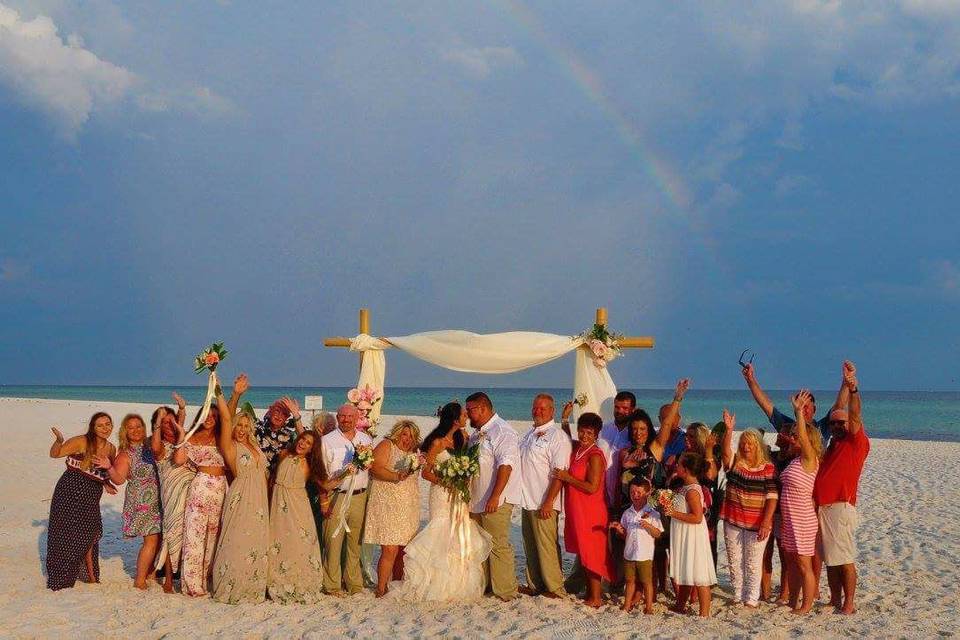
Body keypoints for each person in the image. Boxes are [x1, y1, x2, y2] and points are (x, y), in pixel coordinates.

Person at [391, 402, 492, 602]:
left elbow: (468, 464)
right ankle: (434, 582)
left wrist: (462, 478)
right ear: (455, 420)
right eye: (464, 415)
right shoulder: (436, 442)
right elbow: (426, 473)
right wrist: (446, 480)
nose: (467, 417)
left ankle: (458, 584)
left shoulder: (463, 437)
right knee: (440, 529)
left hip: (459, 494)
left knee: (459, 532)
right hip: (441, 493)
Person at [813, 361, 869, 615]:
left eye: (841, 423)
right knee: (831, 560)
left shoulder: (856, 441)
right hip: (824, 507)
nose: (837, 426)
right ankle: (835, 599)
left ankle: (849, 603)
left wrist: (853, 388)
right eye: (833, 424)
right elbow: (837, 409)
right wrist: (843, 384)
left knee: (844, 558)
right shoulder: (835, 443)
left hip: (840, 506)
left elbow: (852, 414)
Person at [211, 379, 271, 604]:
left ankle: (252, 585)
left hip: (259, 499)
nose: (243, 429)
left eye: (247, 426)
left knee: (255, 541)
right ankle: (231, 584)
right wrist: (233, 394)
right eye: (239, 425)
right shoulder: (230, 446)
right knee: (236, 540)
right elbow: (226, 417)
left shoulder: (254, 446)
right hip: (241, 495)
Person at [45, 412, 117, 590]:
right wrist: (59, 440)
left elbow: (106, 470)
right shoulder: (81, 441)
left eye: (107, 424)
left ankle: (92, 576)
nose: (105, 428)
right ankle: (64, 576)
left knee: (91, 533)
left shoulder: (111, 448)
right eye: (100, 425)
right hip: (68, 492)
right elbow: (55, 454)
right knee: (64, 535)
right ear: (93, 427)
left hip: (91, 494)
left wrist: (106, 483)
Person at [94, 414, 161, 590]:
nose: (136, 430)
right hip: (142, 501)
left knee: (158, 538)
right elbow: (119, 479)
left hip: (159, 498)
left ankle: (150, 572)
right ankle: (139, 580)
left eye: (138, 426)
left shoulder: (150, 445)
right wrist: (109, 467)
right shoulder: (125, 454)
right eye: (131, 428)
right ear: (125, 431)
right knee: (151, 541)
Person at [719, 410, 779, 608]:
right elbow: (725, 453)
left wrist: (766, 521)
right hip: (733, 519)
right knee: (735, 560)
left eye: (750, 444)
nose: (746, 446)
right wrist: (729, 430)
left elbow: (772, 497)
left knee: (753, 562)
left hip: (757, 522)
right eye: (744, 442)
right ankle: (737, 595)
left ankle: (752, 598)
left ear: (758, 446)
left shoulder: (768, 467)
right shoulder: (735, 463)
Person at [466, 392, 521, 602]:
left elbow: (505, 465)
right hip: (477, 499)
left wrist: (495, 496)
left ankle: (505, 590)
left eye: (470, 410)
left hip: (495, 499)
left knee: (498, 544)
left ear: (482, 408)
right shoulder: (476, 434)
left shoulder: (503, 431)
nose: (468, 414)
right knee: (481, 545)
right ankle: (487, 584)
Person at [553, 412, 612, 608]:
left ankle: (596, 597)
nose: (585, 435)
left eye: (589, 432)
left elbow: (592, 487)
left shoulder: (595, 455)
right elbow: (567, 440)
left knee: (592, 553)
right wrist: (564, 421)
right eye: (582, 431)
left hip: (591, 510)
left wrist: (567, 477)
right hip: (577, 508)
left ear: (596, 434)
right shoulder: (578, 447)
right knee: (583, 551)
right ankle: (589, 592)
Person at [173, 393, 228, 597]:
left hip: (221, 488)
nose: (210, 418)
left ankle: (206, 579)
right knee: (194, 535)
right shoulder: (191, 437)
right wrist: (181, 433)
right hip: (201, 486)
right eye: (207, 414)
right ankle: (192, 585)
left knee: (213, 536)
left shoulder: (222, 438)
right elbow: (179, 460)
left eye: (214, 415)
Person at [518, 394, 571, 599]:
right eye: (535, 407)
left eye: (542, 408)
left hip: (545, 500)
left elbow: (560, 472)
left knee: (547, 545)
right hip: (527, 499)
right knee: (530, 544)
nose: (537, 411)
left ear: (552, 411)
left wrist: (549, 501)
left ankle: (555, 588)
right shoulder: (529, 434)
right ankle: (535, 584)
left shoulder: (558, 437)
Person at [363, 419, 422, 597]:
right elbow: (374, 468)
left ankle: (398, 583)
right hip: (387, 504)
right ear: (397, 433)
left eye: (412, 436)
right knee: (389, 549)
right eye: (404, 434)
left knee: (404, 549)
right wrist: (396, 476)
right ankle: (381, 588)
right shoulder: (387, 445)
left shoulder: (415, 452)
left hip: (408, 506)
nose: (407, 439)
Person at [321, 403, 373, 596]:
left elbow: (369, 467)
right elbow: (322, 472)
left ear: (357, 418)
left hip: (359, 496)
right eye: (342, 416)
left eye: (350, 416)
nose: (346, 419)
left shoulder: (365, 439)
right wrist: (325, 499)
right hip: (338, 495)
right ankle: (332, 584)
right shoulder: (327, 440)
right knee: (333, 541)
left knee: (355, 542)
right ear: (337, 417)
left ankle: (353, 583)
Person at [268, 431, 325, 603]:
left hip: (298, 507)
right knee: (278, 542)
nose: (303, 444)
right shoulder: (284, 454)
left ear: (311, 449)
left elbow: (326, 484)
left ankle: (298, 582)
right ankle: (276, 581)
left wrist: (348, 472)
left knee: (298, 543)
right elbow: (272, 478)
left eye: (308, 443)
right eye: (302, 439)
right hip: (278, 505)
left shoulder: (309, 464)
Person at [781, 389, 824, 615]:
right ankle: (793, 601)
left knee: (804, 564)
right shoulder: (795, 459)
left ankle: (806, 605)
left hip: (803, 519)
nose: (794, 438)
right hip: (790, 519)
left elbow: (803, 435)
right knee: (792, 563)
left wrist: (798, 412)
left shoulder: (809, 458)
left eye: (797, 437)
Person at [151, 394, 195, 592]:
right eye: (164, 424)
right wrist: (159, 421)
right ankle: (168, 579)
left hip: (190, 490)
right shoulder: (159, 447)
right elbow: (155, 444)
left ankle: (186, 575)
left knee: (189, 532)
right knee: (172, 534)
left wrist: (182, 409)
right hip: (171, 495)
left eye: (172, 422)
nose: (169, 426)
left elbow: (180, 424)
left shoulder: (181, 441)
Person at [665, 452, 716, 617]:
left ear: (685, 470)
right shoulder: (684, 487)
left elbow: (697, 517)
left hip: (693, 536)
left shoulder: (692, 490)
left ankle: (704, 612)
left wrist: (673, 513)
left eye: (679, 465)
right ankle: (680, 605)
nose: (676, 467)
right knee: (687, 571)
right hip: (685, 534)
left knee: (699, 574)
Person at [609, 477, 663, 614]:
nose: (635, 495)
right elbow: (625, 534)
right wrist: (619, 530)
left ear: (647, 493)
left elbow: (658, 534)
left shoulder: (653, 513)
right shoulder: (627, 513)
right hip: (629, 553)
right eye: (632, 492)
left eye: (639, 492)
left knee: (646, 582)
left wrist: (648, 526)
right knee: (629, 581)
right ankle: (627, 605)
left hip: (645, 555)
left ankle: (649, 607)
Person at [228, 380, 305, 473]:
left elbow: (308, 441)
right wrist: (236, 395)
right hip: (254, 478)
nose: (279, 416)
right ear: (270, 409)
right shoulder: (256, 426)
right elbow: (230, 420)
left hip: (277, 483)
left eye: (284, 413)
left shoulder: (290, 436)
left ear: (288, 417)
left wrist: (296, 414)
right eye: (277, 411)